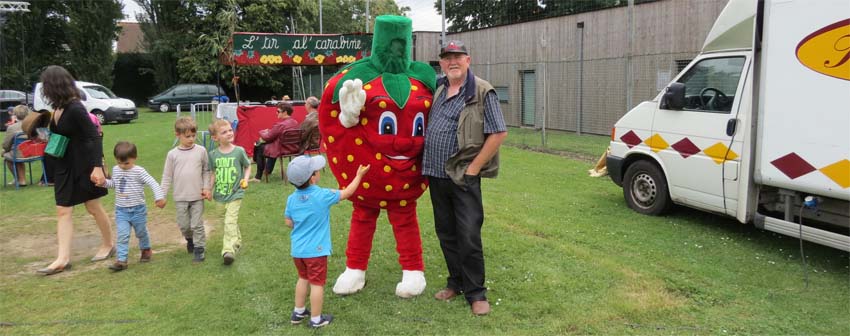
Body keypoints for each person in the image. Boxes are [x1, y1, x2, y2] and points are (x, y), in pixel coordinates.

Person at [422, 40, 508, 315]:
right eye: (447, 58)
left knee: (468, 234)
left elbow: (498, 133)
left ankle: (476, 293)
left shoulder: (482, 91)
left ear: (468, 60)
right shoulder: (439, 88)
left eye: (457, 56)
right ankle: (455, 282)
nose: (452, 62)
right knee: (446, 233)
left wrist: (473, 169)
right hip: (436, 175)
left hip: (462, 175)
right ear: (442, 63)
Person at [36, 65, 115, 275]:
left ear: (55, 85)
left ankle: (109, 244)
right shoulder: (57, 108)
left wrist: (98, 167)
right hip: (64, 166)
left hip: (84, 166)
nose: (44, 90)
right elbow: (62, 136)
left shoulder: (76, 107)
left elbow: (94, 137)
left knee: (92, 206)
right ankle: (62, 259)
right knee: (63, 210)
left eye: (46, 85)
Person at [284, 155, 369, 328]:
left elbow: (289, 223)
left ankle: (298, 312)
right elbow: (347, 193)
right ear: (313, 177)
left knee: (303, 278)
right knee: (317, 284)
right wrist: (359, 176)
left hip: (298, 251)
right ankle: (316, 320)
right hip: (316, 251)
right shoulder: (322, 195)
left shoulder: (291, 199)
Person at [99, 141, 166, 271]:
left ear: (134, 158)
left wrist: (159, 197)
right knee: (123, 235)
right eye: (119, 163)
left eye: (126, 163)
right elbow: (115, 185)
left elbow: (153, 183)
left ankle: (146, 249)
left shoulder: (139, 171)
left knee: (141, 232)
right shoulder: (116, 170)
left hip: (138, 210)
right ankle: (121, 260)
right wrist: (103, 183)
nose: (123, 166)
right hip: (121, 211)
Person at [161, 117, 212, 262]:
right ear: (178, 134)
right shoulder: (172, 155)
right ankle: (189, 239)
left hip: (197, 196)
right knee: (184, 226)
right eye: (187, 136)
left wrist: (206, 187)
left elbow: (206, 170)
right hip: (180, 197)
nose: (191, 139)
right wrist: (161, 195)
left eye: (193, 136)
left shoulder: (201, 151)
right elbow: (166, 176)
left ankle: (199, 248)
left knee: (197, 224)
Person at [207, 119, 251, 265]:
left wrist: (245, 179)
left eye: (230, 130)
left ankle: (228, 250)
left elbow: (247, 166)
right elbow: (213, 173)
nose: (228, 133)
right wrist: (209, 189)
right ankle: (237, 240)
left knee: (229, 221)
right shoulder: (213, 154)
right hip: (219, 195)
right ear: (215, 138)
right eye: (224, 132)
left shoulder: (239, 151)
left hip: (236, 193)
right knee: (225, 220)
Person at [253, 101, 298, 182]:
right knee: (264, 144)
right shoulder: (295, 122)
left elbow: (268, 137)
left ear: (285, 112)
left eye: (278, 111)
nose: (276, 113)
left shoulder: (281, 125)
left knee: (259, 146)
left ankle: (257, 177)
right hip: (293, 148)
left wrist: (262, 131)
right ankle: (267, 170)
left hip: (281, 149)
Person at [2, 105, 32, 186]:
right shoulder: (32, 125)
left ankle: (19, 179)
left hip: (19, 153)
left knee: (7, 156)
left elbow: (5, 145)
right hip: (32, 152)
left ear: (15, 115)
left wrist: (4, 151)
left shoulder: (12, 128)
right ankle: (21, 179)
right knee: (15, 153)